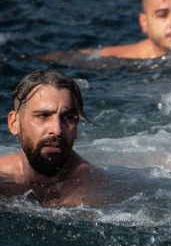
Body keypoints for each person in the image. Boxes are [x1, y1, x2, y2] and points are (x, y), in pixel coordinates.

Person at [0, 69, 108, 205]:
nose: (57, 130)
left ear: (76, 128)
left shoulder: (96, 192)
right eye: (43, 116)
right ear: (14, 123)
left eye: (68, 118)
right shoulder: (3, 177)